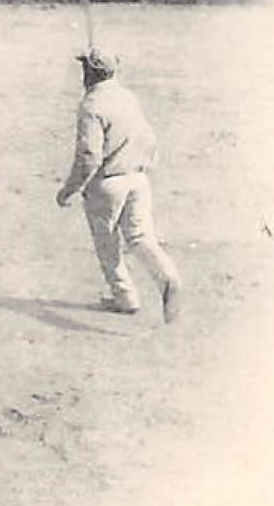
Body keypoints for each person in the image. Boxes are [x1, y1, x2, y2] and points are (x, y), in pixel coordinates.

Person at [55, 48, 183, 322]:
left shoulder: (90, 106)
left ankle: (125, 298)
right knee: (140, 238)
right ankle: (168, 278)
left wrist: (69, 189)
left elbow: (89, 156)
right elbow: (148, 138)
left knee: (108, 245)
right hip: (138, 178)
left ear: (89, 72)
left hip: (107, 184)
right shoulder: (127, 96)